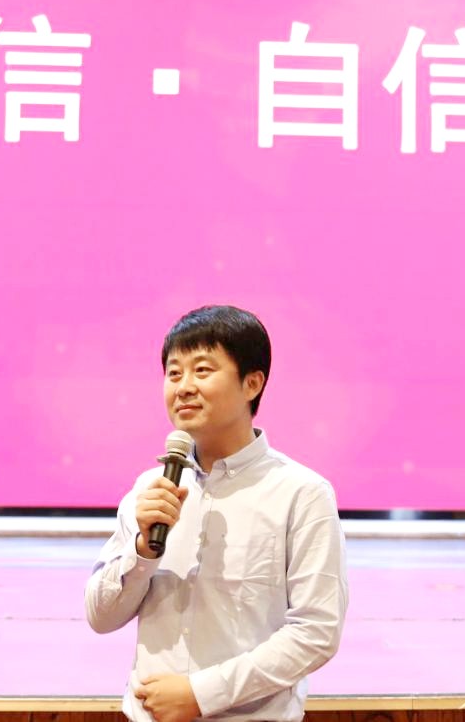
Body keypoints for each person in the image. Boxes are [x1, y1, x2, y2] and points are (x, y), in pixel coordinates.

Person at [85, 305, 348, 722]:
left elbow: (316, 631)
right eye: (174, 373)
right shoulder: (151, 490)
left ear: (252, 383)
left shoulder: (302, 493)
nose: (184, 387)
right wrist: (142, 549)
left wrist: (201, 694)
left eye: (202, 370)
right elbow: (101, 617)